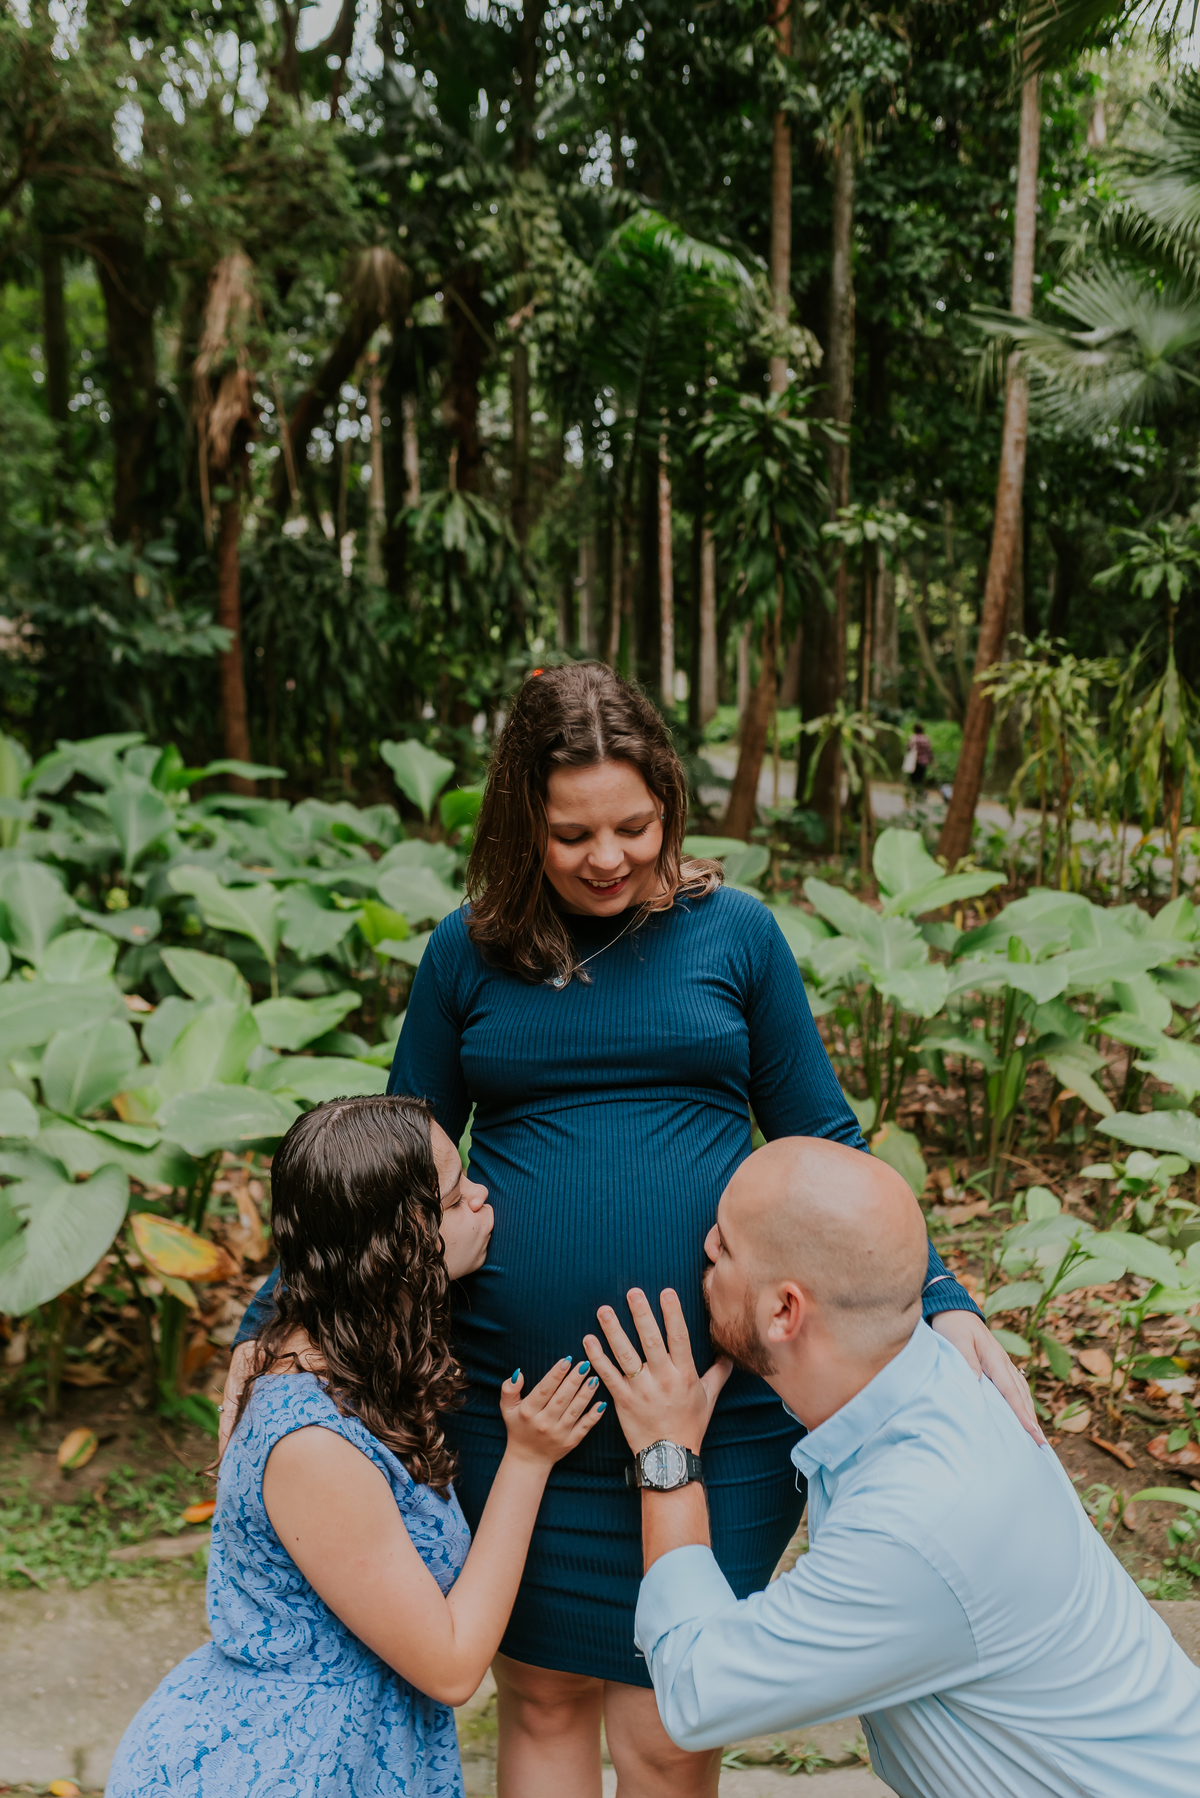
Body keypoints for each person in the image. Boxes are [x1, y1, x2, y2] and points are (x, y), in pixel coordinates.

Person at [227, 663, 1032, 1798]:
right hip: (515, 1407)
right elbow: (394, 1154)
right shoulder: (467, 951)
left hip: (716, 1407)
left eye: (634, 825)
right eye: (571, 835)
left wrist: (941, 1298)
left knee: (669, 1720)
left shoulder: (736, 935)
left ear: (668, 800)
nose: (608, 857)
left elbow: (825, 1134)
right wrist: (279, 1316)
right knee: (544, 1697)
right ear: (522, 826)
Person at [585, 1136, 1200, 1798]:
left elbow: (699, 1691)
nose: (705, 1247)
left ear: (785, 1311)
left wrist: (667, 1453)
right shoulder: (925, 1376)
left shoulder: (916, 1524)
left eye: (726, 1246)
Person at [110, 1096, 604, 1798]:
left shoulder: (351, 1358)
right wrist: (527, 1461)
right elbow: (453, 1667)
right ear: (403, 1245)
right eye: (459, 1197)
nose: (482, 1197)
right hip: (287, 1768)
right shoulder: (312, 1445)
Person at [903, 722, 934, 793]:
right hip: (924, 761)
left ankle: (914, 792)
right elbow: (929, 751)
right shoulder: (925, 738)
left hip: (914, 761)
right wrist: (932, 761)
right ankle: (920, 792)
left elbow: (908, 748)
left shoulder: (913, 738)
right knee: (920, 777)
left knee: (913, 778)